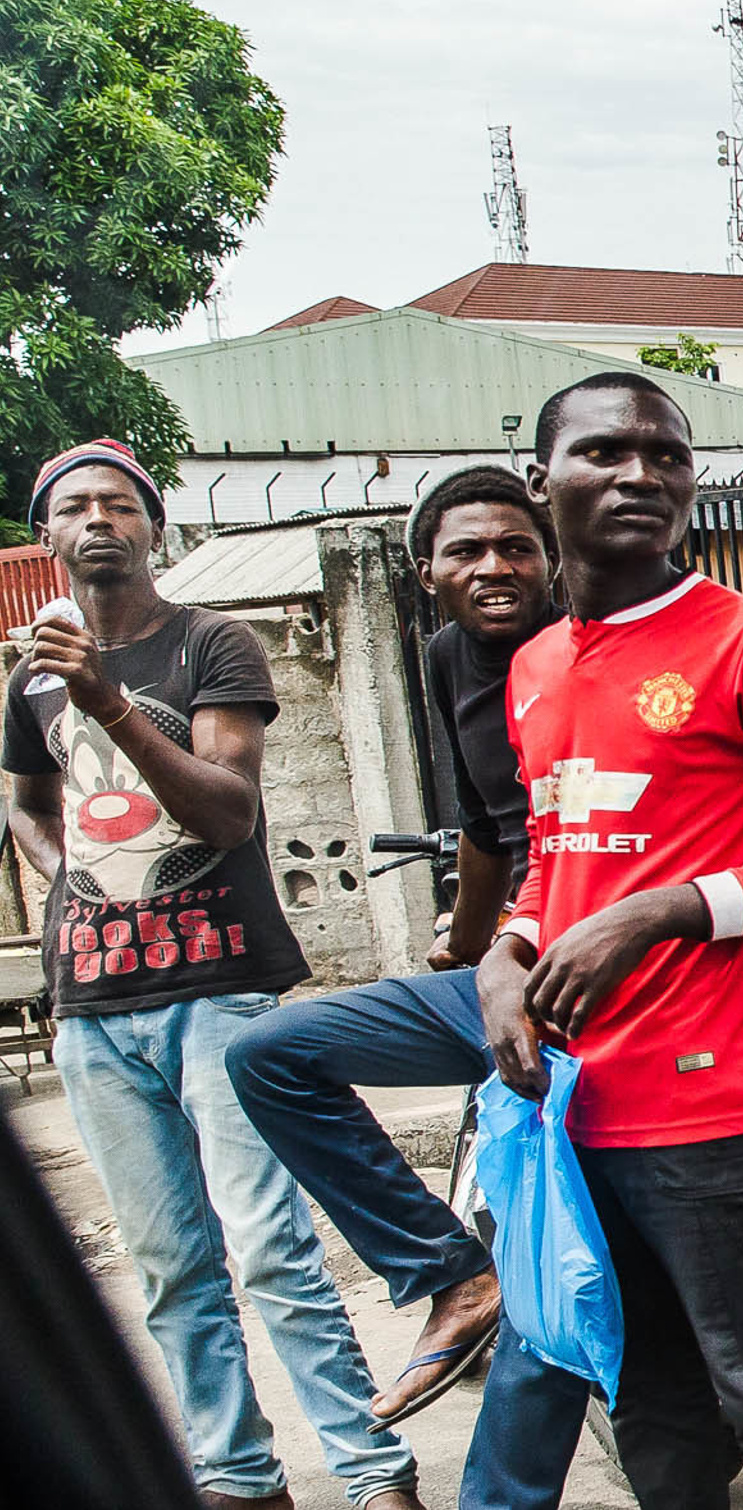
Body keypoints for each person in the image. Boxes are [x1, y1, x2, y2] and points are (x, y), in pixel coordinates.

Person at [478, 370, 743, 1510]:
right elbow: (559, 853)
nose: (640, 476)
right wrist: (506, 952)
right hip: (576, 1110)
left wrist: (662, 911)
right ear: (540, 483)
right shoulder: (535, 666)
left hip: (710, 1113)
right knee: (654, 1411)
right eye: (605, 453)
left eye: (666, 456)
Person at [1, 440, 425, 1510]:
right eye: (74, 508)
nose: (98, 520)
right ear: (47, 535)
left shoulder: (211, 643)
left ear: (155, 528)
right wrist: (74, 886)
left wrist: (104, 700)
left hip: (218, 993)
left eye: (119, 505)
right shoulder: (29, 677)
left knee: (274, 1252)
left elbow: (230, 811)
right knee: (171, 1272)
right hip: (94, 1011)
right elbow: (26, 805)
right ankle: (237, 1480)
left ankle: (373, 1474)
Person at [227, 467, 590, 1510]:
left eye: (514, 547)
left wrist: (515, 950)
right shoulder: (442, 658)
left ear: (550, 556)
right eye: (466, 552)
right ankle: (445, 1271)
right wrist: (469, 945)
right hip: (508, 967)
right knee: (271, 1054)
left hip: (593, 974)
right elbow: (486, 827)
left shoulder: (586, 650)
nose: (494, 569)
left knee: (551, 1261)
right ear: (423, 571)